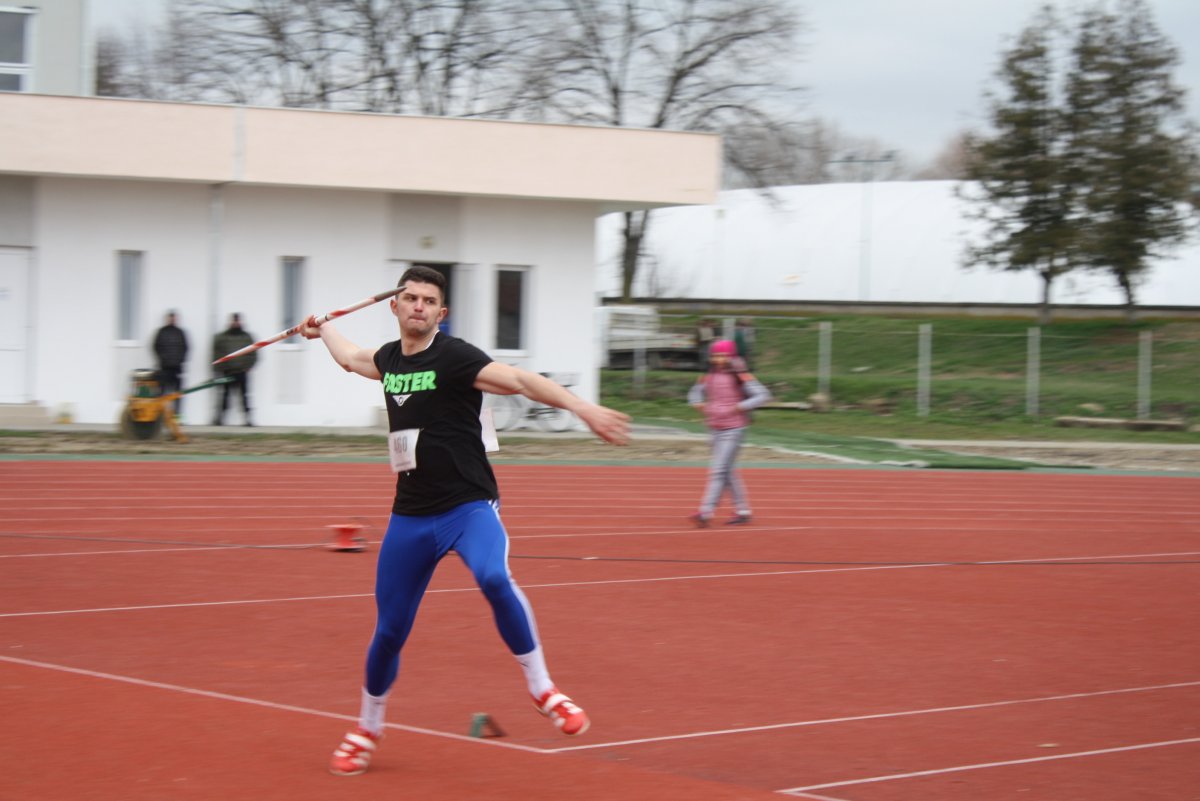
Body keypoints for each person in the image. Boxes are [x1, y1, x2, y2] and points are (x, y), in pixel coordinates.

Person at [299, 266, 631, 777]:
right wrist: (321, 327)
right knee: (389, 631)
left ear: (441, 313)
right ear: (395, 305)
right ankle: (367, 727)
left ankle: (543, 689)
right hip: (410, 514)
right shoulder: (388, 359)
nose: (418, 306)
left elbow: (520, 380)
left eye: (429, 301)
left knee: (495, 577)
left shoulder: (455, 357)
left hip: (467, 507)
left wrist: (582, 407)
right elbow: (349, 357)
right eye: (410, 298)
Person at [687, 339, 771, 527]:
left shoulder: (740, 375)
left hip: (734, 428)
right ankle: (742, 510)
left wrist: (740, 407)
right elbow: (693, 394)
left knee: (718, 471)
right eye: (715, 355)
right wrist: (699, 404)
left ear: (731, 356)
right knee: (727, 471)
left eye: (723, 355)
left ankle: (706, 511)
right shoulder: (707, 375)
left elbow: (763, 395)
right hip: (714, 427)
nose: (718, 359)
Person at [211, 313, 257, 426]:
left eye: (237, 321)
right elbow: (217, 353)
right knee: (224, 396)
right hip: (228, 372)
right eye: (234, 321)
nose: (236, 323)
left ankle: (248, 420)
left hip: (242, 372)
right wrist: (220, 368)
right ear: (231, 322)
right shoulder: (222, 337)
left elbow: (253, 353)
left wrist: (248, 367)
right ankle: (219, 419)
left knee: (244, 396)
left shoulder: (247, 337)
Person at [151, 310, 189, 415]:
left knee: (177, 394)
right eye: (171, 318)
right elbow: (155, 347)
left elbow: (185, 348)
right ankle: (160, 416)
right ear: (167, 319)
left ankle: (177, 416)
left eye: (174, 318)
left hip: (177, 368)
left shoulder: (180, 332)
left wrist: (180, 360)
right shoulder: (161, 332)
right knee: (161, 393)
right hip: (164, 368)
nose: (172, 320)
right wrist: (162, 359)